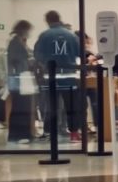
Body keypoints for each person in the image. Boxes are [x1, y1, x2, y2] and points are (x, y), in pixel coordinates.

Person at [33, 10, 82, 143]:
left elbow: (38, 55)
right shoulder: (71, 36)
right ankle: (74, 133)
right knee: (71, 107)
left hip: (51, 77)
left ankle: (49, 133)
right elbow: (80, 53)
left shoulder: (44, 35)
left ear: (48, 21)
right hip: (70, 77)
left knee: (51, 107)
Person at [6, 21, 35, 144]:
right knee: (20, 107)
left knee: (23, 106)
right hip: (19, 79)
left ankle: (23, 133)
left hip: (22, 78)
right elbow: (17, 61)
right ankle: (19, 134)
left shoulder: (19, 42)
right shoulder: (15, 43)